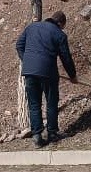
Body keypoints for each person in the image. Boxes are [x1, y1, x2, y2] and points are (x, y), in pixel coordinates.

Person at [16, 11, 77, 148]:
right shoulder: (59, 34)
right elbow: (65, 57)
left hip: (29, 72)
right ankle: (52, 133)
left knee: (34, 104)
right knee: (51, 102)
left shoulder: (32, 27)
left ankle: (37, 135)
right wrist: (72, 75)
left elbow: (19, 45)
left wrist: (27, 61)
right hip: (48, 72)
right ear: (61, 23)